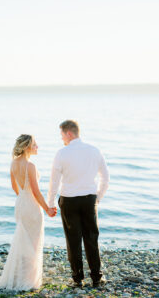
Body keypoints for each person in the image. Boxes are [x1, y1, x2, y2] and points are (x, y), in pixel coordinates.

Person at [47, 120, 109, 288]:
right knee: (91, 238)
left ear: (69, 133)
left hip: (69, 200)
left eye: (62, 135)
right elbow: (105, 178)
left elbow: (54, 181)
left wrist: (51, 203)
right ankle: (96, 278)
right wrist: (98, 199)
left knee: (73, 240)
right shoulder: (95, 150)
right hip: (89, 199)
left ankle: (78, 279)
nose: (62, 139)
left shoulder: (62, 153)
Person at [0, 134, 57, 291]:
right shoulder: (31, 166)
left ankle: (19, 277)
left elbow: (14, 187)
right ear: (27, 147)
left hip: (21, 204)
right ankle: (28, 281)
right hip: (32, 206)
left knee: (24, 241)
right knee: (34, 242)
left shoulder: (13, 163)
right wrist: (48, 209)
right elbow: (36, 192)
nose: (37, 147)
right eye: (35, 145)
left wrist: (23, 197)